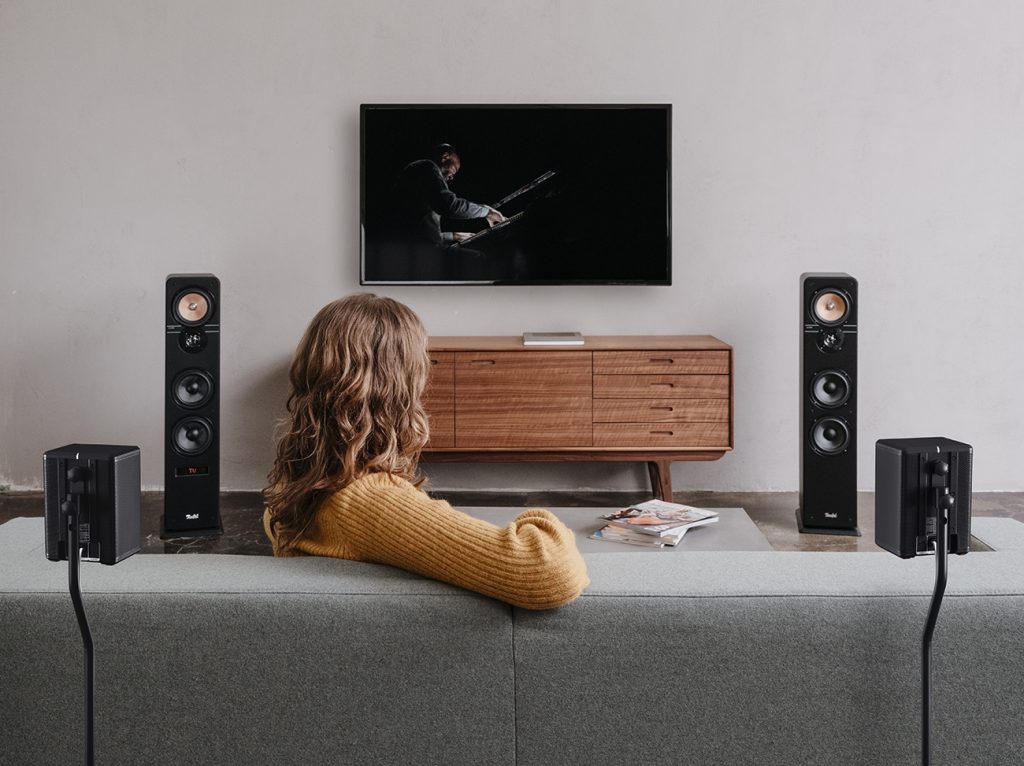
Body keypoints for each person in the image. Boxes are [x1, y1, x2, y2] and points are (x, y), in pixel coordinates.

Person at [262, 293, 589, 610]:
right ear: (399, 388)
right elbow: (549, 573)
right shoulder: (367, 502)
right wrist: (541, 518)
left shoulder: (293, 489)